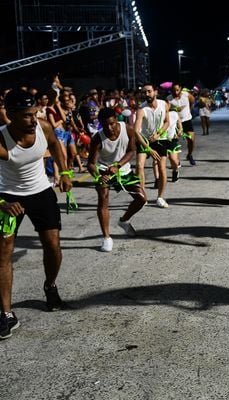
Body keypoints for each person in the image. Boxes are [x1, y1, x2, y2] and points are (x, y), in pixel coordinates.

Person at [0, 90, 72, 340]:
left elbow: (54, 145)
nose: (33, 120)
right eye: (26, 116)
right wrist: (1, 203)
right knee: (4, 252)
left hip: (41, 192)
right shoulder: (1, 141)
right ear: (10, 116)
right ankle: (7, 314)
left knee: (53, 246)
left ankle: (50, 286)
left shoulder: (43, 126)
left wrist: (65, 173)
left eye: (34, 114)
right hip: (8, 197)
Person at [87, 108, 147, 252]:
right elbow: (90, 164)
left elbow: (131, 151)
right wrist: (99, 176)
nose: (109, 128)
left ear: (116, 119)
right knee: (103, 198)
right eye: (105, 125)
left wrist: (118, 165)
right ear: (100, 123)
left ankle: (124, 221)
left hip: (122, 169)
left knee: (142, 199)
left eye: (112, 124)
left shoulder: (128, 129)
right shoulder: (97, 138)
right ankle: (107, 238)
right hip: (103, 171)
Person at [133, 83, 169, 208]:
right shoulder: (141, 110)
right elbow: (136, 131)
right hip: (144, 140)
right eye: (144, 92)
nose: (146, 94)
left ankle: (160, 197)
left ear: (155, 92)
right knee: (139, 166)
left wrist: (159, 134)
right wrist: (148, 148)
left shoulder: (164, 104)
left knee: (162, 169)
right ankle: (142, 197)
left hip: (160, 140)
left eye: (149, 91)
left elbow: (166, 122)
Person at [167, 83, 196, 166]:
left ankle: (189, 154)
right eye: (173, 90)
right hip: (176, 122)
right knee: (175, 142)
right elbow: (167, 110)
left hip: (187, 120)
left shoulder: (186, 95)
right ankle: (177, 160)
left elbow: (192, 101)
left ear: (181, 89)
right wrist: (174, 109)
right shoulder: (169, 98)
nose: (175, 92)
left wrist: (188, 110)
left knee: (191, 139)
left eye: (177, 90)